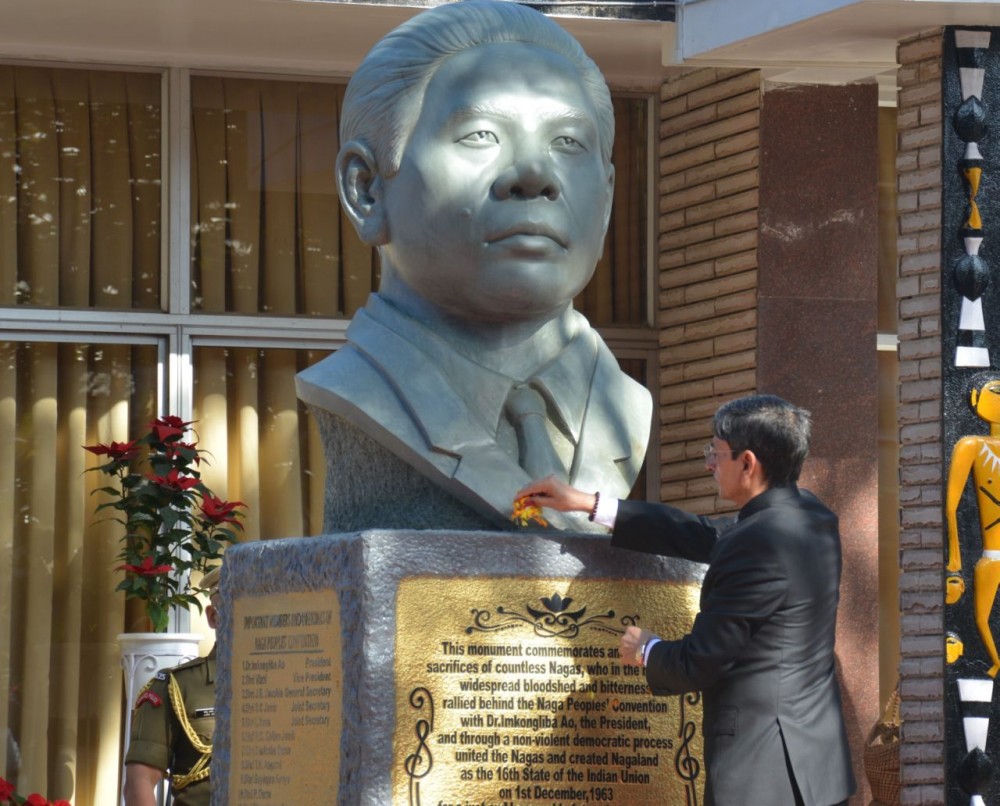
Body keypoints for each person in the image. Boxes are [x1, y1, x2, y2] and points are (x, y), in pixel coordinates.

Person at [295, 0, 651, 533]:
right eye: (480, 135)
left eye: (568, 143)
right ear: (368, 191)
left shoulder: (625, 406)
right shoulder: (354, 391)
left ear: (605, 199)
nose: (533, 174)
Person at [517, 394, 856, 806]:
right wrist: (590, 504)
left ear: (747, 463)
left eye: (715, 453)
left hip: (762, 778)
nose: (708, 464)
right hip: (817, 771)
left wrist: (648, 649)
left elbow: (700, 662)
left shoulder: (755, 542)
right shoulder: (812, 516)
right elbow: (706, 534)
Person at [123, 567, 221, 806]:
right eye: (237, 609)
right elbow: (139, 782)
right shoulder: (176, 686)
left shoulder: (289, 684)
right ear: (212, 617)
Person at [946, 370, 1000, 677]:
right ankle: (996, 661)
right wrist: (954, 558)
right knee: (980, 617)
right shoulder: (971, 445)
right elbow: (951, 504)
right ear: (976, 399)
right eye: (996, 391)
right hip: (991, 555)